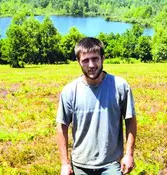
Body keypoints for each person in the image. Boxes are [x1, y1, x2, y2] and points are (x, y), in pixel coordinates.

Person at [56, 37, 137, 175]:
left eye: (95, 59)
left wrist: (129, 154)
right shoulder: (70, 91)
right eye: (85, 60)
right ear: (78, 62)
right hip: (80, 165)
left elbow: (130, 120)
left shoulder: (120, 86)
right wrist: (65, 163)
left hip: (111, 164)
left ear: (103, 58)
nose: (91, 65)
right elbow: (62, 126)